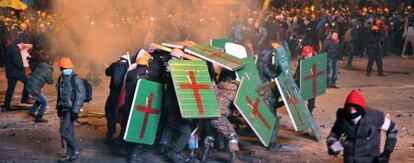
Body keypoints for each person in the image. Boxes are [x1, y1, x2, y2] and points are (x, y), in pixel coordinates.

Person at [326, 90, 398, 163]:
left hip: (370, 159)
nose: (351, 111)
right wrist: (333, 145)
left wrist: (387, 152)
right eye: (349, 109)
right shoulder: (343, 117)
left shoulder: (375, 117)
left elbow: (392, 129)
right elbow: (335, 132)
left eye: (354, 109)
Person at [202, 80, 240, 162]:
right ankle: (234, 160)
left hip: (207, 116)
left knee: (210, 136)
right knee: (232, 136)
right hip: (218, 118)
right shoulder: (235, 92)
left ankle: (204, 157)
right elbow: (237, 110)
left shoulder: (217, 87)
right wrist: (231, 112)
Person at [56, 57, 85, 162]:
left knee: (63, 131)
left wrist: (75, 110)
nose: (64, 69)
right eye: (62, 68)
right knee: (69, 132)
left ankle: (75, 149)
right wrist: (58, 107)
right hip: (64, 108)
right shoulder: (61, 78)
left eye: (65, 67)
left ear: (70, 67)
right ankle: (69, 154)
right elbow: (60, 94)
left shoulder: (75, 78)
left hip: (71, 109)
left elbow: (80, 95)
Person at [103, 54, 130, 144]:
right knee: (123, 113)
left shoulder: (115, 65)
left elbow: (107, 72)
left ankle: (110, 133)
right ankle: (122, 135)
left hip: (114, 93)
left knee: (109, 111)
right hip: (125, 95)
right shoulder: (129, 66)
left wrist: (108, 67)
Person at [2, 41, 32, 111]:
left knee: (10, 90)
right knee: (28, 82)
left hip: (10, 73)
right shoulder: (15, 50)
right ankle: (25, 98)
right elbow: (16, 61)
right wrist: (22, 66)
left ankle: (6, 106)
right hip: (17, 72)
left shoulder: (8, 50)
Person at [26, 55, 53, 123]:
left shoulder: (40, 65)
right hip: (34, 88)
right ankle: (38, 118)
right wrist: (51, 72)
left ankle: (31, 111)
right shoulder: (48, 71)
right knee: (44, 102)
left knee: (40, 99)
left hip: (29, 84)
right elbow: (50, 81)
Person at [294, 45, 316, 114]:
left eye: (307, 55)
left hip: (311, 81)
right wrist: (295, 78)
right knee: (298, 94)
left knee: (311, 96)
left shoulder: (316, 60)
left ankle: (310, 110)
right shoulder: (301, 60)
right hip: (301, 80)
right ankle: (299, 110)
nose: (306, 57)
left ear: (311, 54)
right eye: (305, 55)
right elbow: (298, 70)